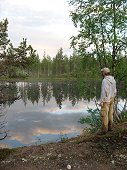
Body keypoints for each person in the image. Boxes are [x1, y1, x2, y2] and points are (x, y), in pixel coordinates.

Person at [98, 67, 116, 135]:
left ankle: (104, 130)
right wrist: (113, 97)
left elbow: (104, 91)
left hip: (106, 100)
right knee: (110, 113)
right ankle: (110, 127)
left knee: (104, 114)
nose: (101, 73)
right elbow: (115, 90)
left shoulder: (105, 80)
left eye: (102, 72)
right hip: (112, 98)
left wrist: (102, 101)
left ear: (104, 73)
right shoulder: (113, 79)